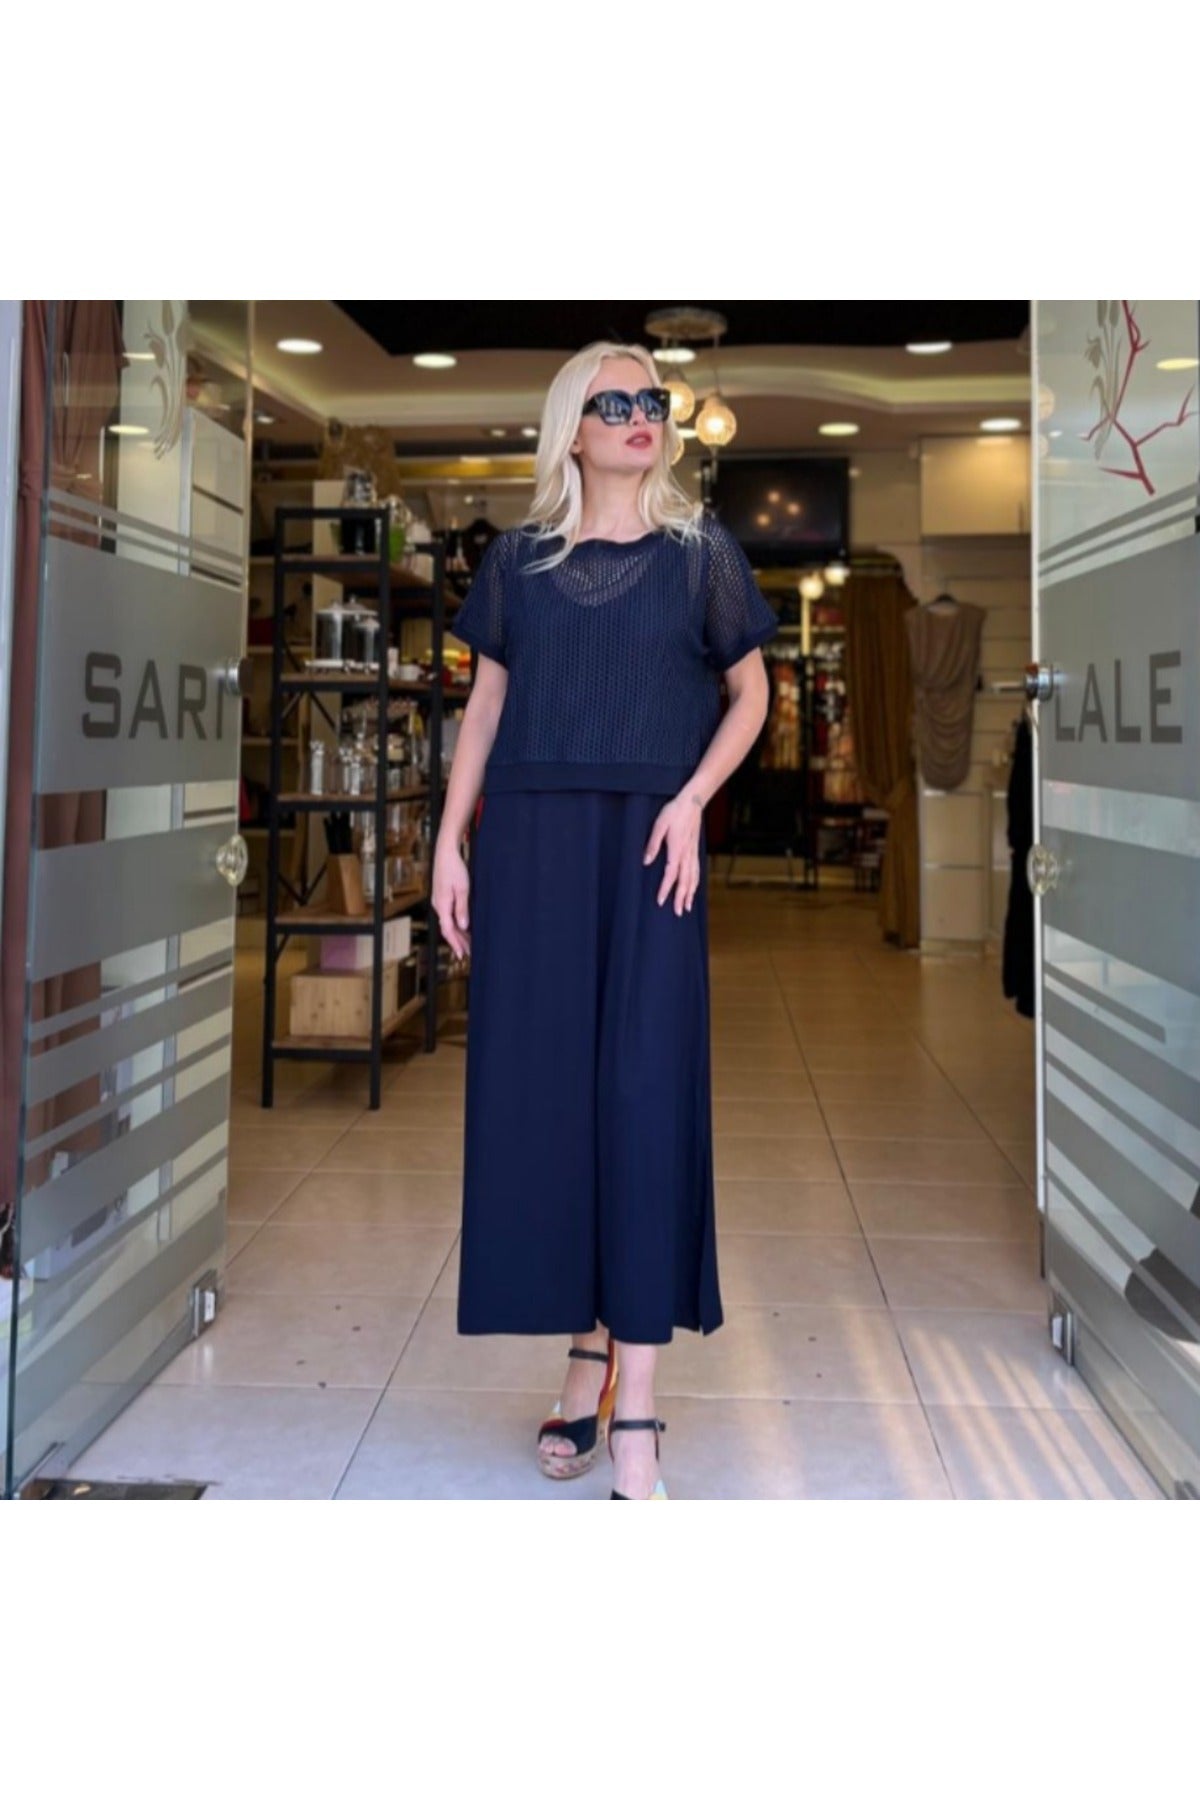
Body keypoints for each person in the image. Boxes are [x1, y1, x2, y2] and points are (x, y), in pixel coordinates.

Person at [432, 341, 778, 1499]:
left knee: (640, 1098)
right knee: (550, 1105)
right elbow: (487, 708)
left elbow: (752, 692)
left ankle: (636, 1411)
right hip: (532, 851)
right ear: (570, 432)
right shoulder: (518, 563)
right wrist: (448, 842)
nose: (640, 415)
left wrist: (692, 799)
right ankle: (588, 1358)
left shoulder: (699, 554)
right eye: (613, 401)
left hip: (649, 852)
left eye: (653, 400)